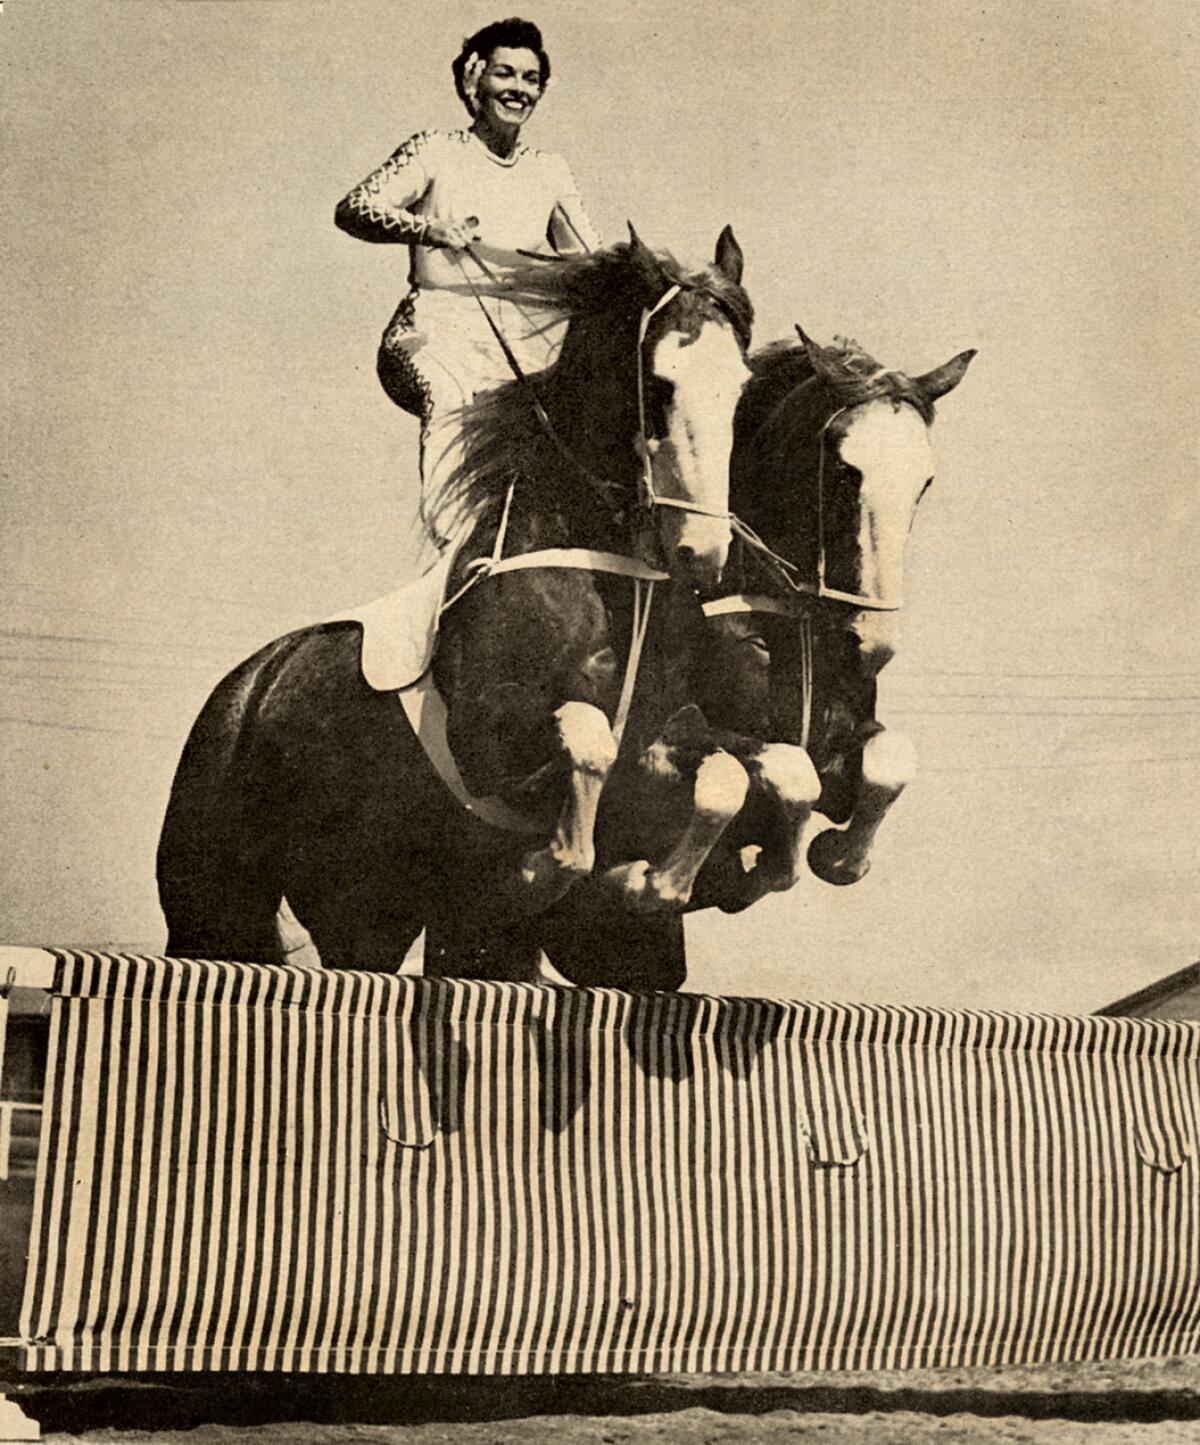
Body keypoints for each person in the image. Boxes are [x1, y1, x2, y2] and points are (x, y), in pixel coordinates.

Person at [335, 17, 599, 556]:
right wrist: (426, 228)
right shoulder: (435, 149)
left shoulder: (550, 170)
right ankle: (455, 549)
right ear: (473, 81)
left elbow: (589, 262)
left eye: (530, 79)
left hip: (520, 345)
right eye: (505, 74)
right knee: (451, 399)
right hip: (434, 331)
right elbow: (354, 208)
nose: (517, 89)